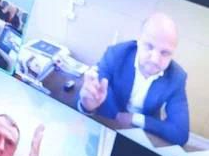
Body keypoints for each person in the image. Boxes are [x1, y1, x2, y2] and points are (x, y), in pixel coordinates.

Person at [77, 12, 189, 146]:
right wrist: (87, 106)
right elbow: (92, 94)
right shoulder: (116, 54)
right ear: (139, 41)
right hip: (108, 123)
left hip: (143, 133)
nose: (155, 59)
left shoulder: (177, 77)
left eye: (165, 53)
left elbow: (180, 134)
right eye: (149, 46)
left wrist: (136, 119)